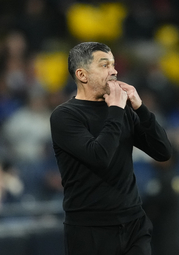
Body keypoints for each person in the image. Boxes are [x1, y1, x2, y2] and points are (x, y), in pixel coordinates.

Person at [50, 42, 172, 255]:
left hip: (134, 222)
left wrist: (140, 109)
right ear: (82, 74)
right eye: (105, 65)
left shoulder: (122, 111)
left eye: (114, 65)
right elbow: (100, 156)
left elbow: (163, 152)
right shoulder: (65, 116)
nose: (114, 71)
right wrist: (115, 108)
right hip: (90, 229)